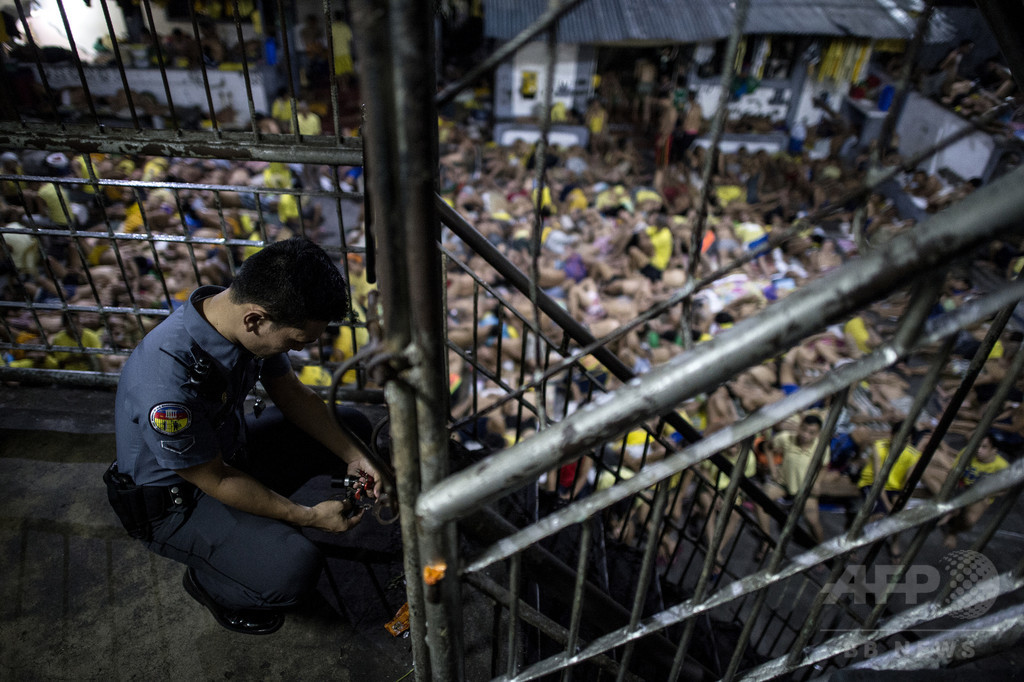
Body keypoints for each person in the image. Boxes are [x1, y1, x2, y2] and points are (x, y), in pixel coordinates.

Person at [107, 237, 383, 635]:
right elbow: (214, 479)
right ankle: (213, 583)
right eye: (296, 341)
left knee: (352, 430)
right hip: (177, 499)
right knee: (292, 570)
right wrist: (306, 516)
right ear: (256, 319)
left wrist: (355, 455)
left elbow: (289, 392)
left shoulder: (239, 316)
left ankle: (252, 536)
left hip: (226, 451)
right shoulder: (166, 383)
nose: (300, 349)